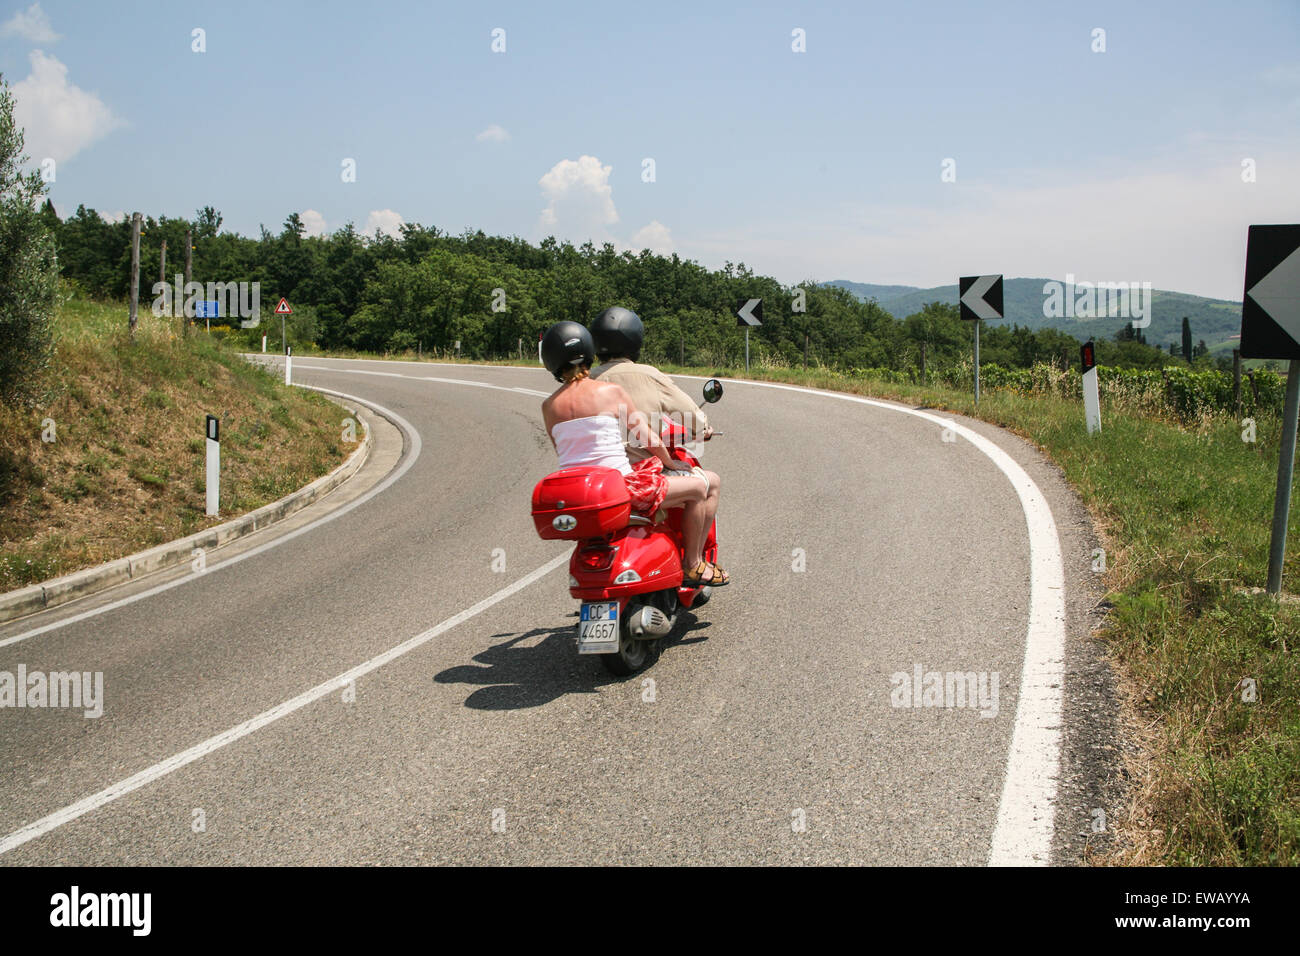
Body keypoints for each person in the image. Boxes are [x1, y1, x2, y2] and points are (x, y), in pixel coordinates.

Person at [540, 321, 726, 588]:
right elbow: (647, 435)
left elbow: (564, 452)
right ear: (589, 353)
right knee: (699, 487)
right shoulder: (610, 392)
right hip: (621, 488)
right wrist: (670, 461)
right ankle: (693, 564)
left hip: (578, 494)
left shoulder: (548, 407)